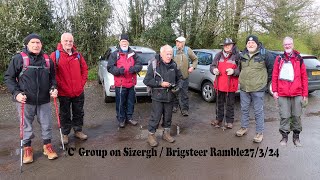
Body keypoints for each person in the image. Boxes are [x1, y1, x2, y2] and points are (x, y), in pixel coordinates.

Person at [4, 33, 58, 163]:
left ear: (41, 44)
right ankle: (27, 148)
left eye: (38, 42)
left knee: (46, 124)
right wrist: (16, 93)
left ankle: (47, 145)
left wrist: (53, 88)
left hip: (44, 99)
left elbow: (52, 78)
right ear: (27, 44)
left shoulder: (47, 59)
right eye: (33, 42)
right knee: (25, 125)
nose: (36, 45)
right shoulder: (19, 58)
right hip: (25, 100)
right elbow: (8, 78)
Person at [50, 33, 88, 144]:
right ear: (61, 42)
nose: (68, 43)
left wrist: (81, 83)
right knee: (65, 114)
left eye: (70, 41)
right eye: (66, 41)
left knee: (79, 112)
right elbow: (52, 73)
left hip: (78, 91)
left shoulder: (78, 55)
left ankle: (78, 131)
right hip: (63, 92)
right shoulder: (55, 55)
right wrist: (59, 85)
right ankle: (65, 134)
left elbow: (85, 69)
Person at [235, 35, 274, 143]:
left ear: (257, 44)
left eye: (253, 43)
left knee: (258, 111)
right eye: (248, 43)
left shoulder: (265, 54)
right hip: (244, 88)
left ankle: (259, 133)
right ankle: (244, 127)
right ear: (246, 45)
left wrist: (264, 83)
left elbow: (271, 70)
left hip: (258, 89)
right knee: (244, 109)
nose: (250, 44)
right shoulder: (242, 55)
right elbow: (240, 69)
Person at [271, 37, 308, 147]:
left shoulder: (299, 59)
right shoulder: (279, 59)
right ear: (283, 46)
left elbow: (304, 77)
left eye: (289, 44)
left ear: (293, 44)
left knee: (297, 116)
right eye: (285, 44)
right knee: (284, 116)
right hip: (282, 93)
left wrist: (305, 94)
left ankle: (296, 137)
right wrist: (275, 91)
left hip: (297, 93)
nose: (287, 46)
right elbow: (275, 75)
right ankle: (284, 137)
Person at [143, 45, 182, 147]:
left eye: (170, 54)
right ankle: (151, 136)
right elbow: (146, 80)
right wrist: (160, 83)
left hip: (170, 96)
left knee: (168, 116)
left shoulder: (174, 64)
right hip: (157, 96)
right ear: (161, 54)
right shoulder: (154, 64)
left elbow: (180, 79)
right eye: (167, 54)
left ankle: (166, 134)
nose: (169, 56)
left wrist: (178, 87)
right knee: (155, 117)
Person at [107, 34, 142, 128]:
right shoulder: (115, 54)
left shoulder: (134, 54)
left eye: (125, 41)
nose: (124, 43)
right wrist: (118, 71)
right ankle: (121, 119)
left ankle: (129, 118)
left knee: (130, 102)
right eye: (122, 41)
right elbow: (110, 67)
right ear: (120, 42)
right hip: (120, 84)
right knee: (120, 103)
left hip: (131, 83)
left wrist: (134, 69)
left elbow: (139, 64)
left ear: (128, 42)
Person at [210, 38, 240, 129]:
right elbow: (212, 66)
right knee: (219, 103)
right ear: (223, 46)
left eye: (229, 45)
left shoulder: (237, 56)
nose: (227, 47)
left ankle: (229, 121)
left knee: (230, 104)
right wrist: (214, 70)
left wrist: (234, 71)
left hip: (230, 85)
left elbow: (241, 70)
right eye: (225, 45)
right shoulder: (218, 55)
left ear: (232, 46)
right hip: (219, 84)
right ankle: (218, 120)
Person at [172, 36, 198, 116]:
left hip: (184, 76)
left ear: (183, 43)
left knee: (184, 94)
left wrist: (192, 67)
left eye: (179, 42)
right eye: (177, 42)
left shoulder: (188, 50)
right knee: (174, 93)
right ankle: (174, 107)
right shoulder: (172, 50)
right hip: (174, 77)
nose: (177, 44)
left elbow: (195, 59)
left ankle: (185, 110)